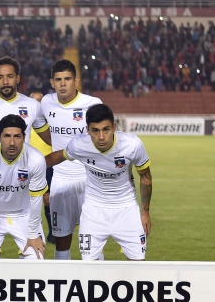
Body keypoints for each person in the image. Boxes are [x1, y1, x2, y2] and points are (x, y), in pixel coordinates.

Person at [45, 104, 152, 261]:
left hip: (127, 210)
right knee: (90, 269)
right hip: (93, 211)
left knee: (137, 265)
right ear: (87, 130)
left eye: (106, 129)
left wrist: (145, 213)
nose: (101, 137)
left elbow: (146, 177)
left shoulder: (132, 145)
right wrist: (31, 166)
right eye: (95, 131)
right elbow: (56, 157)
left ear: (114, 127)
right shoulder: (79, 145)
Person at [32, 59, 103, 260]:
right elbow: (45, 131)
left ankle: (94, 285)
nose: (63, 84)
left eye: (67, 79)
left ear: (76, 81)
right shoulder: (46, 102)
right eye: (58, 79)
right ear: (52, 82)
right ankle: (62, 286)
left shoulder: (92, 103)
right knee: (62, 239)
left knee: (92, 241)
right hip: (60, 180)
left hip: (89, 180)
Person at [0, 114, 48, 259]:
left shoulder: (36, 160)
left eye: (17, 136)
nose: (12, 142)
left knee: (35, 257)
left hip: (25, 214)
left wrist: (33, 234)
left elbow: (36, 201)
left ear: (24, 137)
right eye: (7, 136)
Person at [0, 57, 42, 147]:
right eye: (0, 77)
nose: (5, 82)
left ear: (17, 78)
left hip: (22, 161)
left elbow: (52, 140)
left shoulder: (33, 105)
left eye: (10, 76)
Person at [29, 91, 55, 243]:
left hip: (48, 164)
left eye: (40, 100)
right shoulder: (26, 124)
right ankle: (33, 232)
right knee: (32, 200)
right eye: (35, 101)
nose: (38, 103)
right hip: (29, 166)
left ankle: (52, 231)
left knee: (47, 199)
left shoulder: (49, 124)